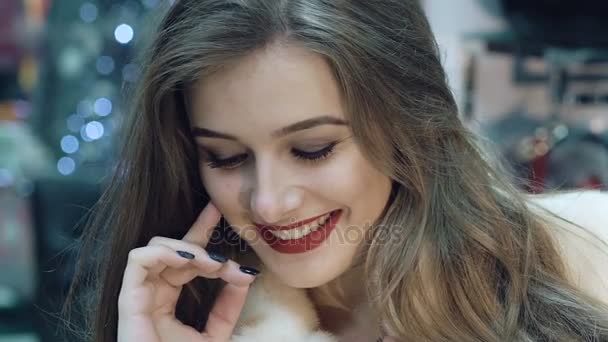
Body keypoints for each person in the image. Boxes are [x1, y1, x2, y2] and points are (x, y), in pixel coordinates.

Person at [63, 0, 608, 341]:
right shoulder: (184, 316)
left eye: (313, 148)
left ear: (410, 123)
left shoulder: (586, 269)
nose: (268, 204)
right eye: (225, 157)